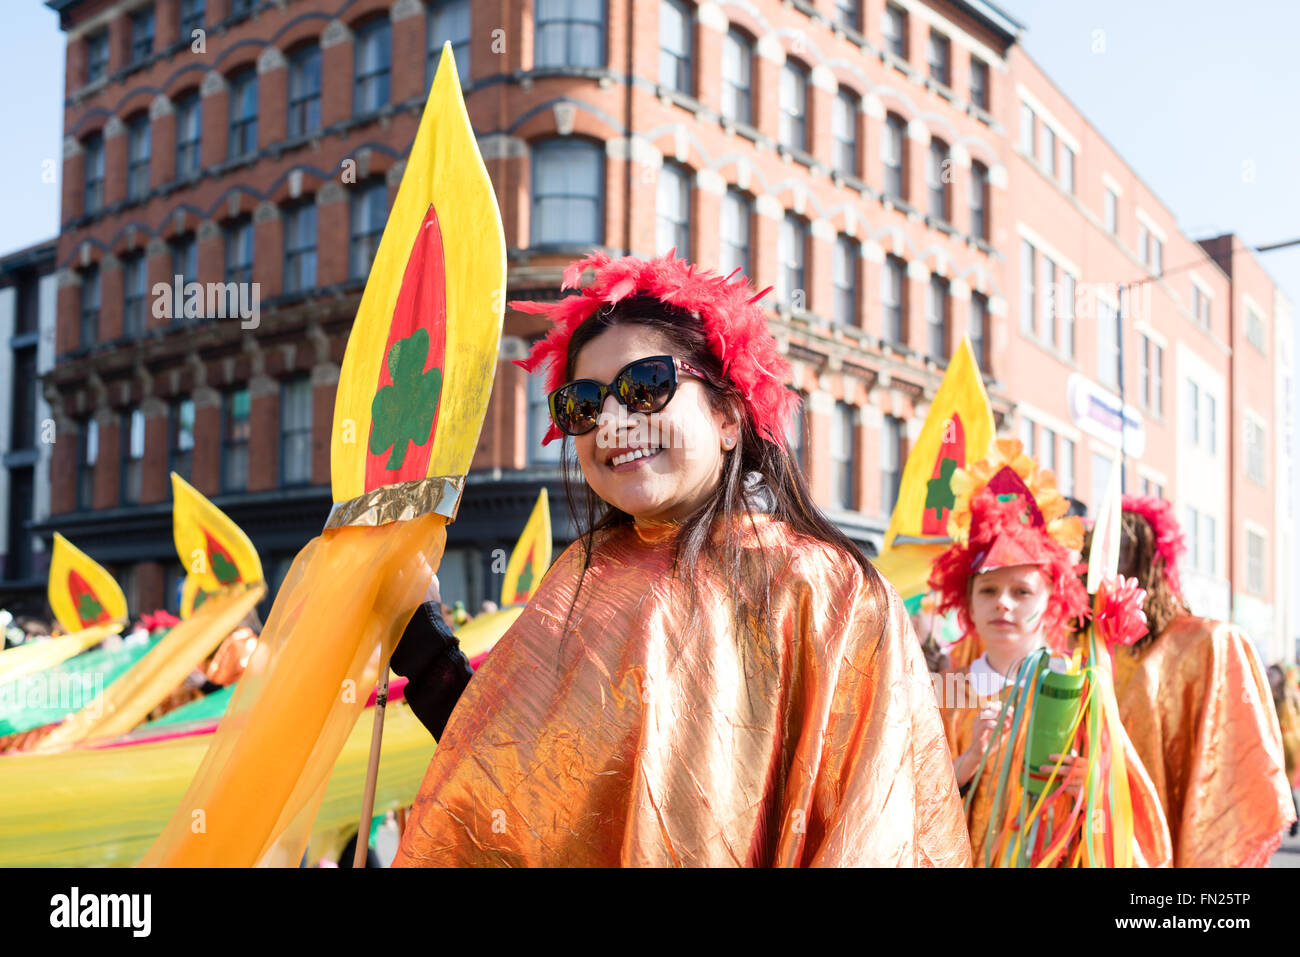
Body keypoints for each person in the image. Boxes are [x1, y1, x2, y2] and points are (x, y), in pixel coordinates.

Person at [390, 251, 971, 866]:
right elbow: (510, 800)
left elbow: (875, 832)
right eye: (583, 405)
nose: (611, 422)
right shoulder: (579, 580)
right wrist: (425, 645)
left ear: (727, 415)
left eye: (645, 388)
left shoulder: (829, 590)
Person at [931, 440, 1170, 867]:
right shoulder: (946, 692)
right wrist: (965, 764)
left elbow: (1129, 824)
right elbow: (910, 802)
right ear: (967, 600)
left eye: (1022, 591)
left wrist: (1093, 789)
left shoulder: (1079, 690)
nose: (1003, 603)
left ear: (1052, 599)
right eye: (988, 590)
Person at [1108, 496, 1295, 866]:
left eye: (1120, 553)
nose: (1100, 569)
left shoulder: (1210, 642)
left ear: (1151, 561)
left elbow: (1233, 759)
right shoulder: (1092, 646)